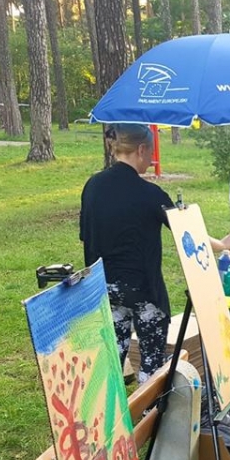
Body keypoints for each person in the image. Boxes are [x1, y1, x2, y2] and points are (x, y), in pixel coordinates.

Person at [79, 123, 174, 383]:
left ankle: (108, 407)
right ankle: (149, 407)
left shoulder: (92, 186)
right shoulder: (150, 194)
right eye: (151, 153)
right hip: (144, 291)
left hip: (104, 287)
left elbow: (86, 235)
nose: (151, 160)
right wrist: (222, 244)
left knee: (111, 363)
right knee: (151, 366)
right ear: (141, 149)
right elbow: (185, 232)